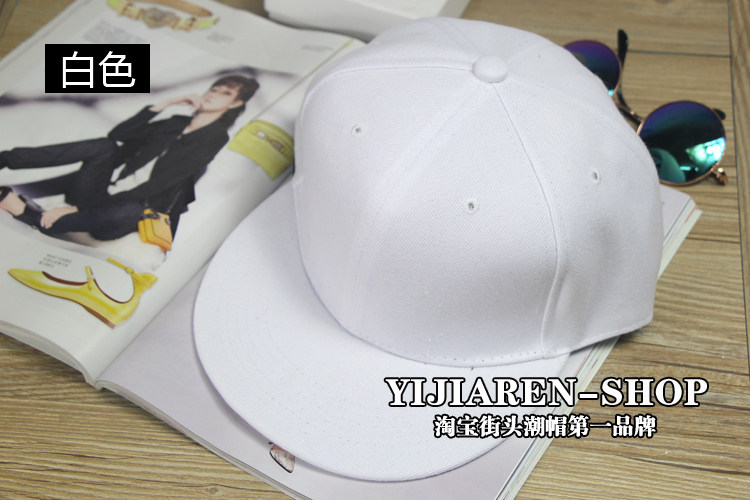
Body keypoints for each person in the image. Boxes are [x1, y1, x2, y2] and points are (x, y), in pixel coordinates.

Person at [0, 75, 259, 242]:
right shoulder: (174, 123)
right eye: (215, 88)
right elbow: (118, 135)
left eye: (225, 93)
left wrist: (81, 210)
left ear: (236, 104)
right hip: (101, 192)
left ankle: (35, 218)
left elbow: (159, 185)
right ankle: (5, 159)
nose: (213, 94)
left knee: (133, 210)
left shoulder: (214, 138)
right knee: (104, 146)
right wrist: (165, 104)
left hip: (122, 209)